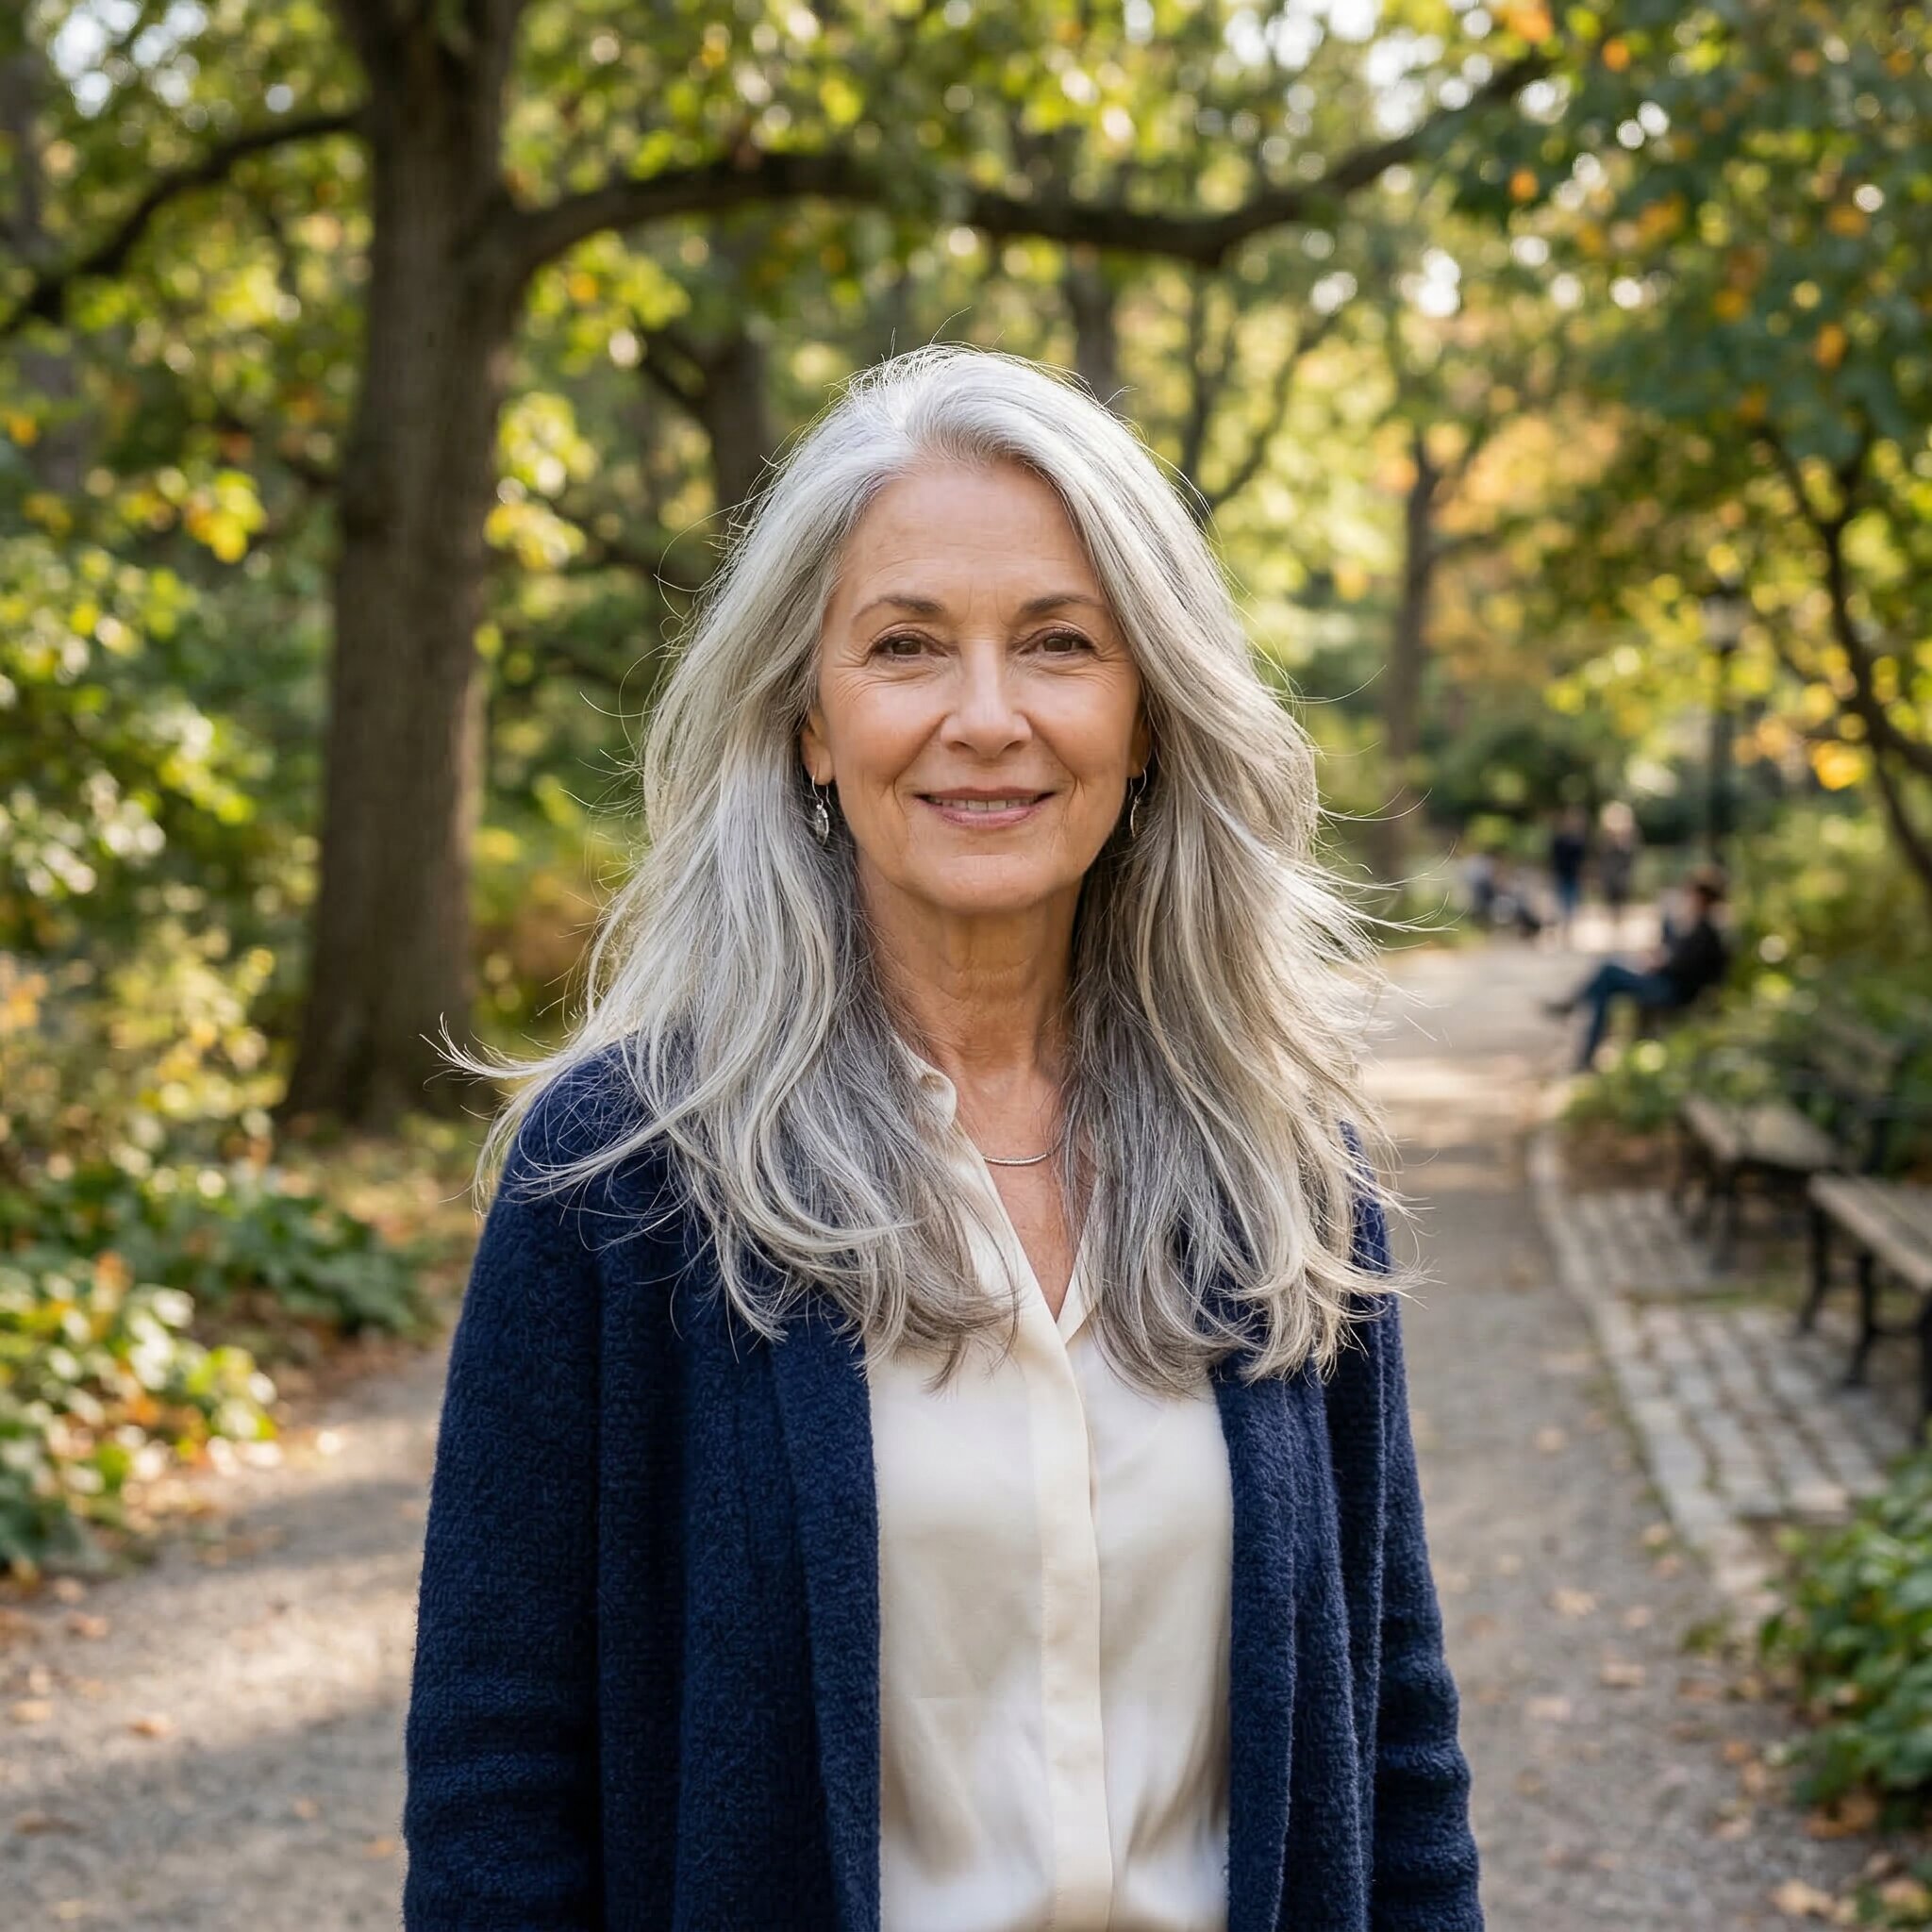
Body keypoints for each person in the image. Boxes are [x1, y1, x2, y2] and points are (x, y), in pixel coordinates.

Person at [401, 346, 1482, 1932]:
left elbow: (1392, 1725)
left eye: (1058, 643)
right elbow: (497, 1787)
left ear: (1148, 712)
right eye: (905, 645)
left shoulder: (1282, 1160)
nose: (986, 717)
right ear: (808, 720)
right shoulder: (624, 1175)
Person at [1542, 863, 1730, 1072]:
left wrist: (1658, 963)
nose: (1686, 898)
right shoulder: (1700, 926)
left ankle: (1578, 1024)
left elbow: (1683, 968)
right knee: (1606, 981)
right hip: (1669, 984)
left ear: (1701, 897)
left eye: (1690, 894)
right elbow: (1681, 959)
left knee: (1608, 973)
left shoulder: (1705, 930)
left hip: (1673, 991)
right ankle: (1585, 1046)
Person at [1595, 800, 1640, 942]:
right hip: (1609, 874)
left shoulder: (1629, 835)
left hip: (1622, 874)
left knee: (1621, 902)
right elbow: (1601, 855)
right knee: (1611, 902)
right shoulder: (1605, 835)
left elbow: (1632, 855)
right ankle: (1614, 928)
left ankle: (1619, 928)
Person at [1547, 805, 1589, 945]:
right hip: (1561, 875)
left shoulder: (1580, 840)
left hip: (1574, 876)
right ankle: (1561, 931)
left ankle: (1567, 932)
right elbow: (1553, 858)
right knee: (1561, 904)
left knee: (1571, 905)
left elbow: (1583, 861)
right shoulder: (1559, 839)